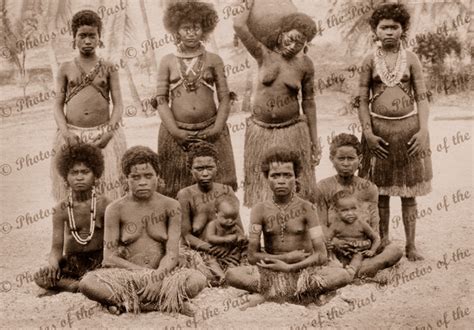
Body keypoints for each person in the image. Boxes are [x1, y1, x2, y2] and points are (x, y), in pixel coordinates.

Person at [79, 146, 207, 315]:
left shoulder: (171, 206)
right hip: (128, 276)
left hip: (163, 275)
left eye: (148, 176)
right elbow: (109, 257)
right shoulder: (115, 209)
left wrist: (157, 277)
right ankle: (160, 304)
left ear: (158, 177)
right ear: (126, 179)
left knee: (198, 279)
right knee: (88, 283)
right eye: (135, 177)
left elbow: (172, 253)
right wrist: (146, 276)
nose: (142, 182)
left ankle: (128, 304)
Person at [226, 147, 355, 309]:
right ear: (267, 178)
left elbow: (321, 255)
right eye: (275, 175)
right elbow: (252, 256)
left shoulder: (307, 208)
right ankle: (302, 297)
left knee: (342, 275)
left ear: (296, 177)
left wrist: (291, 266)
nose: (281, 181)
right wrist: (285, 259)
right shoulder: (259, 209)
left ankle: (269, 296)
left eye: (287, 175)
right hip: (271, 271)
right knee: (231, 274)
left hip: (303, 270)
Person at [357, 3, 432, 261]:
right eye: (383, 27)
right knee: (381, 193)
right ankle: (384, 241)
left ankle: (411, 245)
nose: (389, 32)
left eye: (394, 27)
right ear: (375, 31)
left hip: (409, 130)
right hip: (378, 132)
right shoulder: (368, 61)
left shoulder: (411, 59)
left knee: (409, 192)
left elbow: (422, 97)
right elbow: (362, 100)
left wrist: (423, 131)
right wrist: (367, 134)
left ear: (403, 29)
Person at [233, 0, 321, 207]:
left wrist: (314, 140)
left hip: (292, 130)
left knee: (293, 187)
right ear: (281, 34)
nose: (293, 46)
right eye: (290, 39)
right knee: (263, 190)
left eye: (300, 43)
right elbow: (239, 26)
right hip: (260, 131)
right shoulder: (262, 53)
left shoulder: (305, 64)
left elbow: (309, 102)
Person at [155, 1, 237, 198]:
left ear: (204, 29)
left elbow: (225, 98)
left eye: (196, 28)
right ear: (177, 30)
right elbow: (161, 100)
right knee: (176, 189)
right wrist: (175, 131)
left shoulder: (214, 59)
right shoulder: (167, 61)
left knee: (218, 187)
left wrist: (217, 128)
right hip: (177, 134)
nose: (191, 33)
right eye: (185, 28)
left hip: (211, 130)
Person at [50, 10, 127, 202]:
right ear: (74, 38)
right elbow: (57, 106)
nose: (87, 41)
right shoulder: (65, 68)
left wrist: (110, 131)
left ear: (99, 37)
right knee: (73, 189)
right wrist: (66, 133)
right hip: (72, 135)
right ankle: (74, 228)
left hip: (103, 135)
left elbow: (118, 104)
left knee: (107, 190)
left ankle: (105, 227)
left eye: (92, 36)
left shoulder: (109, 67)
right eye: (82, 36)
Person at [314, 133, 402, 277]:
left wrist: (366, 245)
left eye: (351, 158)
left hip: (362, 248)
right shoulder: (323, 187)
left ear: (359, 159)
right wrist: (335, 242)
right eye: (341, 158)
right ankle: (353, 270)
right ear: (332, 159)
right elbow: (321, 224)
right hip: (334, 246)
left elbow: (374, 226)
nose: (346, 163)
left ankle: (352, 271)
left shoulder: (369, 188)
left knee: (395, 251)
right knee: (316, 249)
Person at [35, 144, 109, 293]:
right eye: (74, 173)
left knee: (104, 276)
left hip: (99, 261)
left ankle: (75, 286)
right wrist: (53, 263)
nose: (79, 177)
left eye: (85, 172)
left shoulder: (105, 205)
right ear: (65, 177)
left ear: (96, 175)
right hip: (72, 262)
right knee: (40, 276)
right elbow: (56, 248)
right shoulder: (60, 210)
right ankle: (77, 286)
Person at [177, 142, 245, 284]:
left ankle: (232, 271)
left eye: (209, 168)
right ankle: (220, 276)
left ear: (217, 166)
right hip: (201, 251)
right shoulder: (185, 195)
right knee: (190, 263)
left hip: (228, 249)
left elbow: (239, 228)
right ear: (190, 169)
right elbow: (186, 235)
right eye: (199, 169)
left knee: (251, 250)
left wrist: (233, 247)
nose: (205, 173)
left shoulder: (227, 191)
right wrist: (211, 249)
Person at [326, 190, 381, 275]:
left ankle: (352, 271)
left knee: (358, 256)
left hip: (358, 251)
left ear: (359, 208)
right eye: (344, 210)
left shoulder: (361, 223)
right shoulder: (336, 224)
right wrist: (330, 244)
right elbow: (327, 238)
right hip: (342, 251)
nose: (350, 213)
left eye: (353, 209)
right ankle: (342, 270)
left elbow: (376, 238)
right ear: (337, 211)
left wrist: (372, 251)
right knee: (337, 259)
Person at [203, 195, 248, 283]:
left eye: (234, 218)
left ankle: (234, 272)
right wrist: (225, 239)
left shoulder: (234, 227)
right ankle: (221, 276)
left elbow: (242, 237)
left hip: (229, 255)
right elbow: (210, 237)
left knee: (235, 261)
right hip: (214, 254)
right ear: (216, 213)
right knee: (211, 262)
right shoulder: (213, 224)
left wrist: (240, 238)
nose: (230, 221)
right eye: (226, 218)